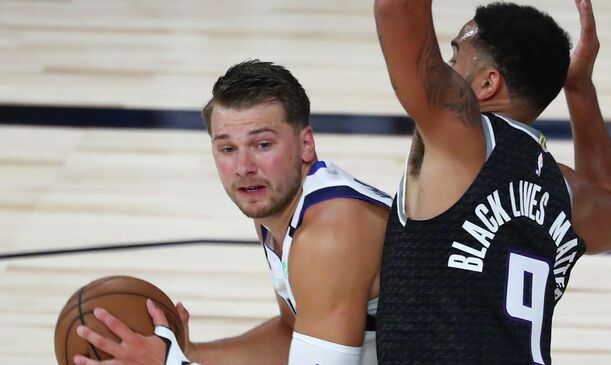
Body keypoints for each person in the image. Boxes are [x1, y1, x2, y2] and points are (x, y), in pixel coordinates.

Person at [73, 60, 392, 365]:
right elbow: (291, 335)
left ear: (305, 144)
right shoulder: (276, 211)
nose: (244, 168)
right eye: (227, 149)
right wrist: (187, 353)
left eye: (262, 145)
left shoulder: (328, 234)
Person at [373, 0, 611, 364]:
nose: (445, 70)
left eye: (454, 60)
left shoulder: (460, 136)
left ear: (486, 83)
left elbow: (395, 8)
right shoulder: (562, 189)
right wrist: (579, 88)